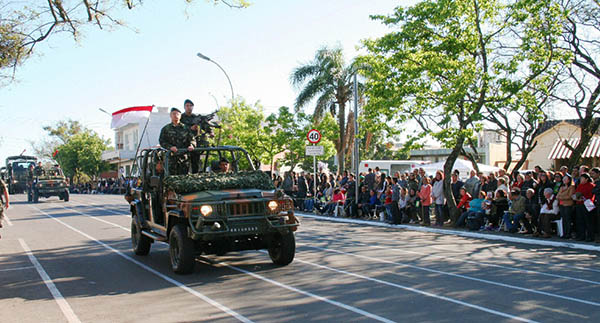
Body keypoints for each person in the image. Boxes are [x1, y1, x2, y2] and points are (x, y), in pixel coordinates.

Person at [159, 107, 196, 175]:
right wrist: (170, 147)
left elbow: (192, 139)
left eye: (177, 114)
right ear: (170, 115)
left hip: (184, 158)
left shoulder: (186, 128)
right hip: (171, 158)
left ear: (180, 116)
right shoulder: (166, 129)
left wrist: (192, 145)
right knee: (171, 178)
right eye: (173, 114)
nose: (175, 115)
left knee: (184, 178)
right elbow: (162, 141)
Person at [179, 99, 202, 173]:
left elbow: (203, 127)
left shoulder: (196, 117)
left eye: (190, 106)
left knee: (196, 164)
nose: (189, 107)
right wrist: (190, 128)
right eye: (187, 106)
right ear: (184, 107)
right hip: (183, 144)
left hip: (194, 143)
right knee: (184, 165)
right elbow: (177, 128)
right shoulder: (180, 117)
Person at [574, 173, 595, 241]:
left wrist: (584, 198)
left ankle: (590, 236)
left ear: (587, 179)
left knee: (588, 221)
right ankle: (581, 235)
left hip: (587, 204)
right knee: (580, 220)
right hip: (579, 204)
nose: (581, 180)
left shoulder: (591, 186)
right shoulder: (580, 185)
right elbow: (576, 193)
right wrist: (576, 198)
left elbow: (592, 196)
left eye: (582, 178)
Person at [557, 174, 575, 239]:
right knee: (564, 219)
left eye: (566, 179)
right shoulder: (561, 187)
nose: (564, 180)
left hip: (568, 205)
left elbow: (570, 196)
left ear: (569, 180)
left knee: (568, 219)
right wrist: (562, 197)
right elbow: (557, 196)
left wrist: (561, 197)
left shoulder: (571, 187)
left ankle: (568, 233)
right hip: (562, 205)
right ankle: (564, 233)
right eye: (563, 179)